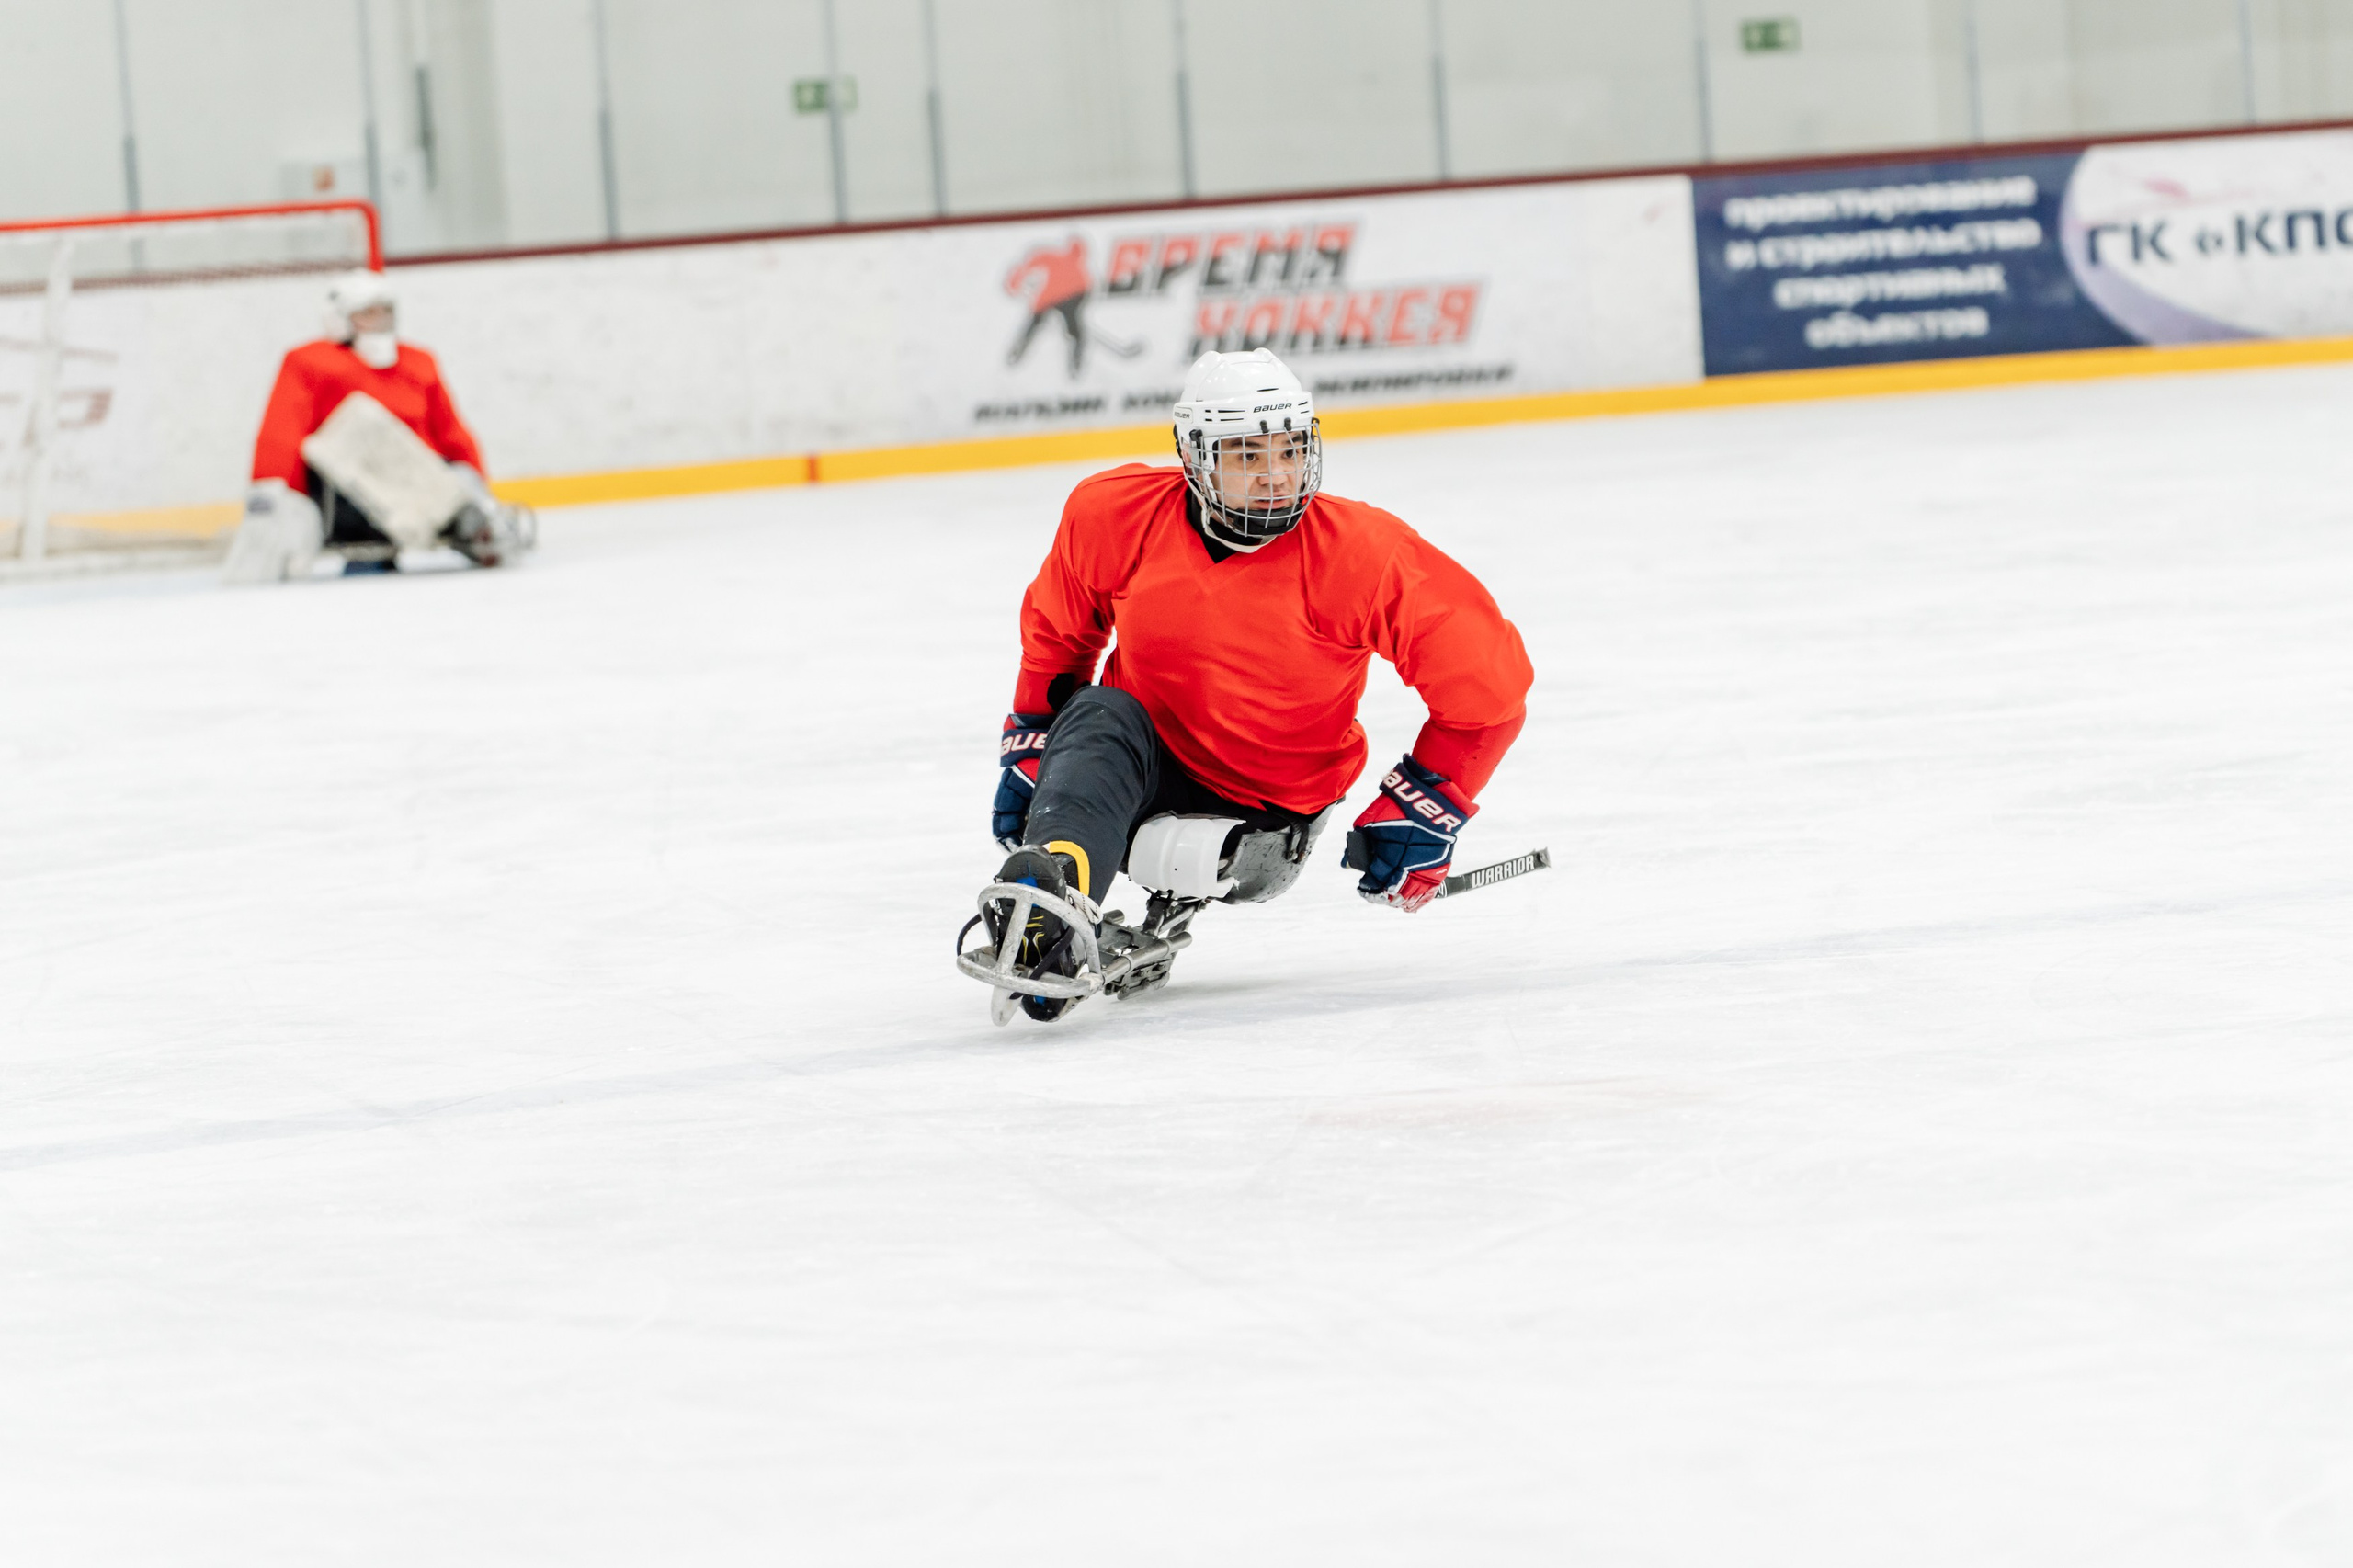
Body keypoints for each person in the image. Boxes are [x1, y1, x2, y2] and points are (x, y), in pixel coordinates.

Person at [972, 347, 1533, 1020]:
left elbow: (1489, 689)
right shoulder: (1112, 515)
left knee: (1098, 719)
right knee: (1095, 712)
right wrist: (1034, 742)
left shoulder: (1364, 554)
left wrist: (1427, 802)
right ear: (1195, 456)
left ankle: (1060, 896)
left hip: (1271, 810)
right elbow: (1060, 639)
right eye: (1247, 456)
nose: (1276, 475)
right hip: (1144, 769)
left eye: (1291, 451)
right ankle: (1056, 902)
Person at [233, 270, 529, 578]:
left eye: (386, 311)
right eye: (368, 313)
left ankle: (470, 519)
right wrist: (276, 499)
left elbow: (451, 431)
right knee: (360, 424)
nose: (381, 320)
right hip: (348, 496)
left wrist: (475, 483)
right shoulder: (310, 363)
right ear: (340, 319)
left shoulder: (418, 361)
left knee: (459, 478)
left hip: (420, 483)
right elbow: (281, 434)